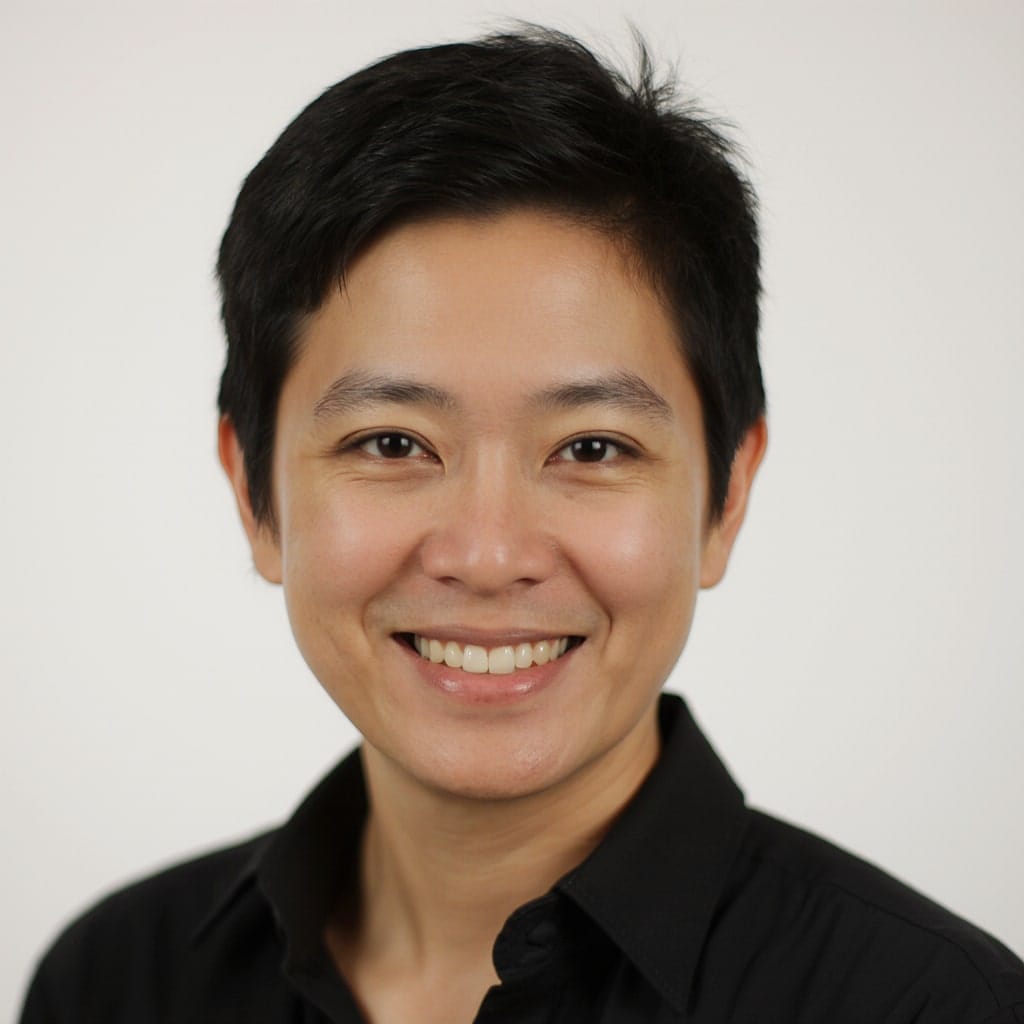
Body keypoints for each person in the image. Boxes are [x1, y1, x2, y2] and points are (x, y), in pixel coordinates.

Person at [19, 25, 1024, 1024]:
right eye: (392, 443)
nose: (489, 554)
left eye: (590, 448)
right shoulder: (118, 981)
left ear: (725, 495)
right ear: (254, 494)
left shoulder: (928, 1004)